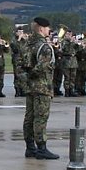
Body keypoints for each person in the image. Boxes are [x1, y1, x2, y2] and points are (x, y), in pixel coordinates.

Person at [22, 17, 59, 160]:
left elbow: (20, 64)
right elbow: (42, 67)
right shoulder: (44, 47)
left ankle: (30, 148)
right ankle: (41, 148)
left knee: (29, 117)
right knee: (41, 117)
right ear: (41, 28)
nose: (49, 30)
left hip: (30, 87)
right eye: (47, 28)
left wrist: (26, 78)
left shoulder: (27, 44)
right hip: (41, 86)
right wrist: (33, 74)